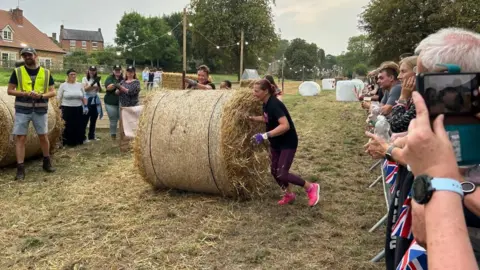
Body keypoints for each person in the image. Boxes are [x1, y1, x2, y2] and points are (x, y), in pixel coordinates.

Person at [248, 79, 320, 207]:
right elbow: (267, 118)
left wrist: (264, 135)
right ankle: (289, 194)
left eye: (256, 91)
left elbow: (285, 125)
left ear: (265, 91)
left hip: (287, 142)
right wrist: (252, 118)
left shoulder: (274, 104)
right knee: (275, 172)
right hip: (276, 142)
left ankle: (311, 187)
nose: (254, 93)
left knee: (282, 173)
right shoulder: (266, 103)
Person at [6, 47, 56, 180]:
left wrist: (41, 96)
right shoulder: (17, 72)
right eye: (24, 56)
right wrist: (24, 93)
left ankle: (46, 162)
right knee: (20, 138)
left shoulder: (46, 73)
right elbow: (10, 90)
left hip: (40, 109)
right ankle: (20, 168)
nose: (27, 57)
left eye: (29, 55)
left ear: (35, 55)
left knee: (43, 136)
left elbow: (53, 92)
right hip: (22, 109)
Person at [57, 69, 87, 147]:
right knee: (67, 126)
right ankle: (66, 142)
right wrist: (57, 108)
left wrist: (85, 106)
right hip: (66, 108)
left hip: (78, 108)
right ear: (68, 76)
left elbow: (84, 96)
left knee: (78, 125)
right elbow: (58, 97)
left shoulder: (80, 85)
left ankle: (77, 141)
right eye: (71, 74)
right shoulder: (63, 85)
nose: (73, 76)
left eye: (74, 74)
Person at [388, 56, 417, 133]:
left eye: (403, 71)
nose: (398, 76)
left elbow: (395, 125)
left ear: (416, 74)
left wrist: (403, 97)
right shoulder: (413, 97)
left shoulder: (422, 98)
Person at [81, 65, 103, 142]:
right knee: (85, 118)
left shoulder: (98, 79)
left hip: (95, 99)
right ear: (88, 71)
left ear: (96, 71)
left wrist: (98, 85)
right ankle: (83, 136)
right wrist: (93, 84)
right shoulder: (84, 79)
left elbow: (100, 90)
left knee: (94, 118)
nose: (92, 72)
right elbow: (85, 89)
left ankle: (91, 136)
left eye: (94, 70)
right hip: (87, 99)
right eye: (91, 70)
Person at [104, 65, 123, 140]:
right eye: (116, 70)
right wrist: (118, 85)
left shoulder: (123, 78)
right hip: (110, 102)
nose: (117, 71)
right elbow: (108, 88)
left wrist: (114, 85)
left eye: (119, 70)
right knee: (113, 119)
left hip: (122, 102)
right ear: (113, 71)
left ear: (121, 71)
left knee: (122, 120)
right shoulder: (109, 78)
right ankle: (113, 136)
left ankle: (123, 136)